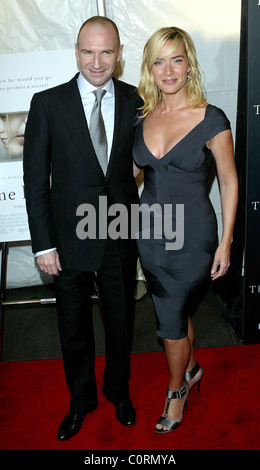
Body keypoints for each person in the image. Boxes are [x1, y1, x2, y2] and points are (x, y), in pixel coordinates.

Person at [23, 16, 142, 441]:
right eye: (88, 51)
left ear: (119, 54)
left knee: (122, 322)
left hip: (120, 233)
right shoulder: (48, 103)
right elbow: (35, 181)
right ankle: (80, 402)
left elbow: (136, 164)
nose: (97, 61)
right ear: (76, 52)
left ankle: (118, 393)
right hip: (68, 240)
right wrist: (43, 245)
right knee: (73, 326)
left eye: (106, 51)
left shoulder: (136, 100)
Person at [133, 27, 238, 434]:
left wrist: (227, 242)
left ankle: (176, 391)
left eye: (176, 59)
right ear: (149, 68)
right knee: (171, 311)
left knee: (172, 315)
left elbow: (228, 182)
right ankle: (192, 368)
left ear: (189, 63)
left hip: (192, 236)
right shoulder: (142, 118)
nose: (168, 70)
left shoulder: (212, 119)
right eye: (159, 61)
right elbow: (127, 178)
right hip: (148, 234)